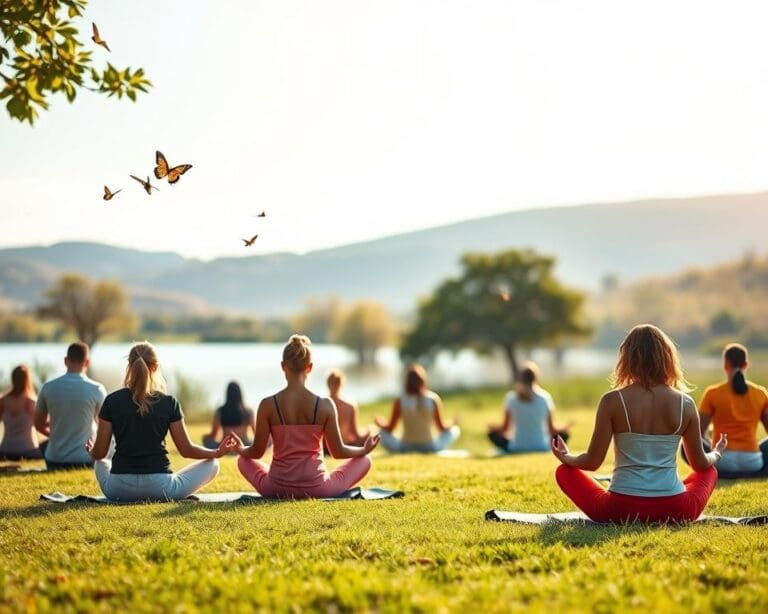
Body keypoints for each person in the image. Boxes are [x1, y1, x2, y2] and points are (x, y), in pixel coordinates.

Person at [551, 324, 727, 523]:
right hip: (676, 510)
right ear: (667, 357)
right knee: (709, 471)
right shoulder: (685, 404)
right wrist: (717, 452)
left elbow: (592, 462)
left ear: (627, 359)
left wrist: (567, 458)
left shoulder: (612, 401)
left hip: (619, 510)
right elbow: (700, 463)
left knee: (564, 472)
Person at [230, 335, 379, 499]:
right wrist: (363, 449)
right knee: (365, 460)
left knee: (242, 460)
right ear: (309, 367)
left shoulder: (267, 405)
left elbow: (256, 452)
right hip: (318, 489)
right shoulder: (325, 405)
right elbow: (338, 451)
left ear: (283, 366)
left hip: (276, 488)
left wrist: (240, 449)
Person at [87, 342, 232, 502]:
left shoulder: (111, 401)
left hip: (119, 489)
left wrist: (92, 451)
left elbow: (99, 454)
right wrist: (216, 453)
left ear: (129, 365)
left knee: (101, 462)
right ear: (155, 367)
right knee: (213, 464)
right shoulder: (169, 403)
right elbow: (186, 450)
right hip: (161, 489)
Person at [693, 343, 768, 477]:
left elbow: (698, 433)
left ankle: (714, 473)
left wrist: (711, 444)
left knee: (687, 444)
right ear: (746, 365)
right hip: (753, 461)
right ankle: (756, 473)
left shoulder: (713, 393)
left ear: (725, 364)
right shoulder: (760, 393)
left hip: (722, 460)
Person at [34, 342, 106, 470]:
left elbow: (38, 424)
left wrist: (54, 433)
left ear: (66, 360)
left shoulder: (48, 387)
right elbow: (105, 427)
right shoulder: (97, 389)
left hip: (54, 459)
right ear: (87, 362)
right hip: (85, 459)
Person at [375, 364, 460, 453]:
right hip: (430, 447)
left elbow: (390, 428)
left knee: (379, 432)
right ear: (423, 381)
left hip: (405, 448)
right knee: (455, 430)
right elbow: (441, 427)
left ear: (407, 381)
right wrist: (452, 423)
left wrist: (380, 423)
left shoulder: (400, 400)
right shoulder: (433, 399)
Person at [487, 362, 570, 453]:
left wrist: (493, 427)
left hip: (517, 446)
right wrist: (564, 426)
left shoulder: (511, 398)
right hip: (541, 446)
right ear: (536, 377)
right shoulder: (545, 397)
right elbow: (551, 429)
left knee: (492, 434)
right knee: (564, 434)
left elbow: (505, 428)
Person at [0, 365, 42, 460]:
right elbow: (41, 424)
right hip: (29, 450)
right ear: (28, 380)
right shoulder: (31, 402)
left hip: (5, 450)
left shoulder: (2, 401)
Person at [202, 382, 256, 450]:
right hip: (244, 445)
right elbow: (256, 433)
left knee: (205, 440)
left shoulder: (220, 411)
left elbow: (213, 434)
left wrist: (205, 437)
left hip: (225, 446)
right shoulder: (248, 411)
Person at [327, 369, 370, 446]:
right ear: (341, 384)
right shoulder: (350, 406)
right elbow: (356, 435)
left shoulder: (321, 405)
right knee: (371, 433)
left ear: (328, 384)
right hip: (345, 445)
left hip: (327, 447)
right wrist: (368, 431)